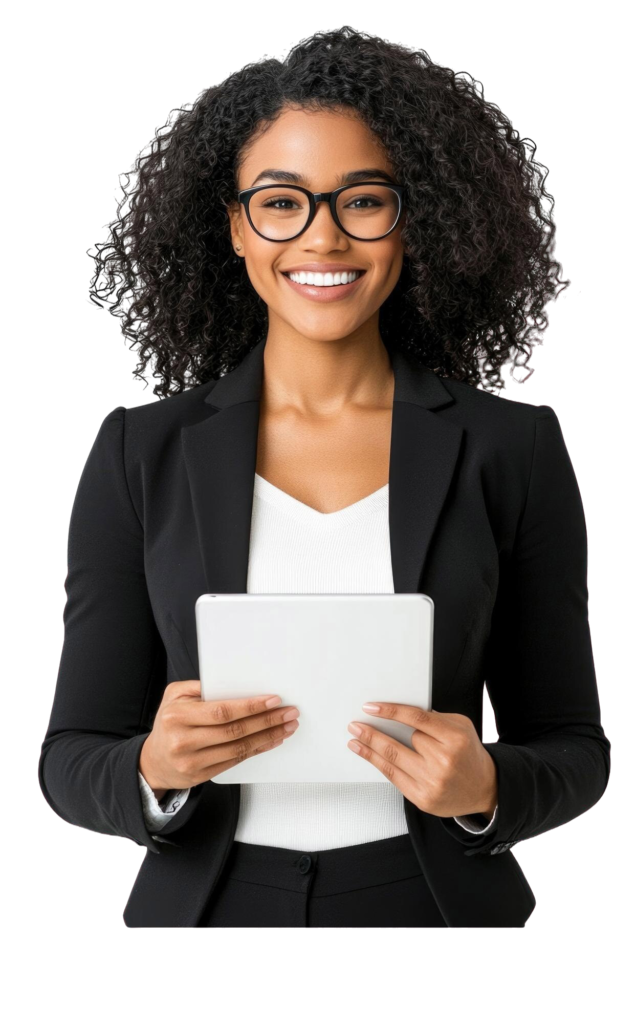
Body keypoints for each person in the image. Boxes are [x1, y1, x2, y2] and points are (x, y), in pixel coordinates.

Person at [42, 26, 609, 929]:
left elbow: (575, 750)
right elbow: (70, 759)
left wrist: (488, 784)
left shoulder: (511, 448)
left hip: (431, 902)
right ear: (233, 226)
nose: (322, 236)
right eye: (281, 203)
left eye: (363, 200)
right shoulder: (138, 451)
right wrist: (153, 770)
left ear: (409, 221)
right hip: (211, 903)